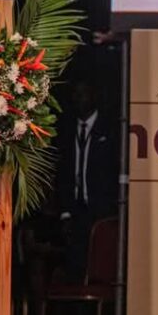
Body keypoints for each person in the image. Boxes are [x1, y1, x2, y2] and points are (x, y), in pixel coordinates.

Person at [57, 80, 117, 285]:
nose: (78, 98)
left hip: (102, 210)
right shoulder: (66, 130)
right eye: (76, 94)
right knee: (74, 268)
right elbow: (62, 174)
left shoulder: (110, 129)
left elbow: (114, 170)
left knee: (100, 266)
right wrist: (65, 212)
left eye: (83, 93)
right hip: (75, 211)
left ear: (93, 96)